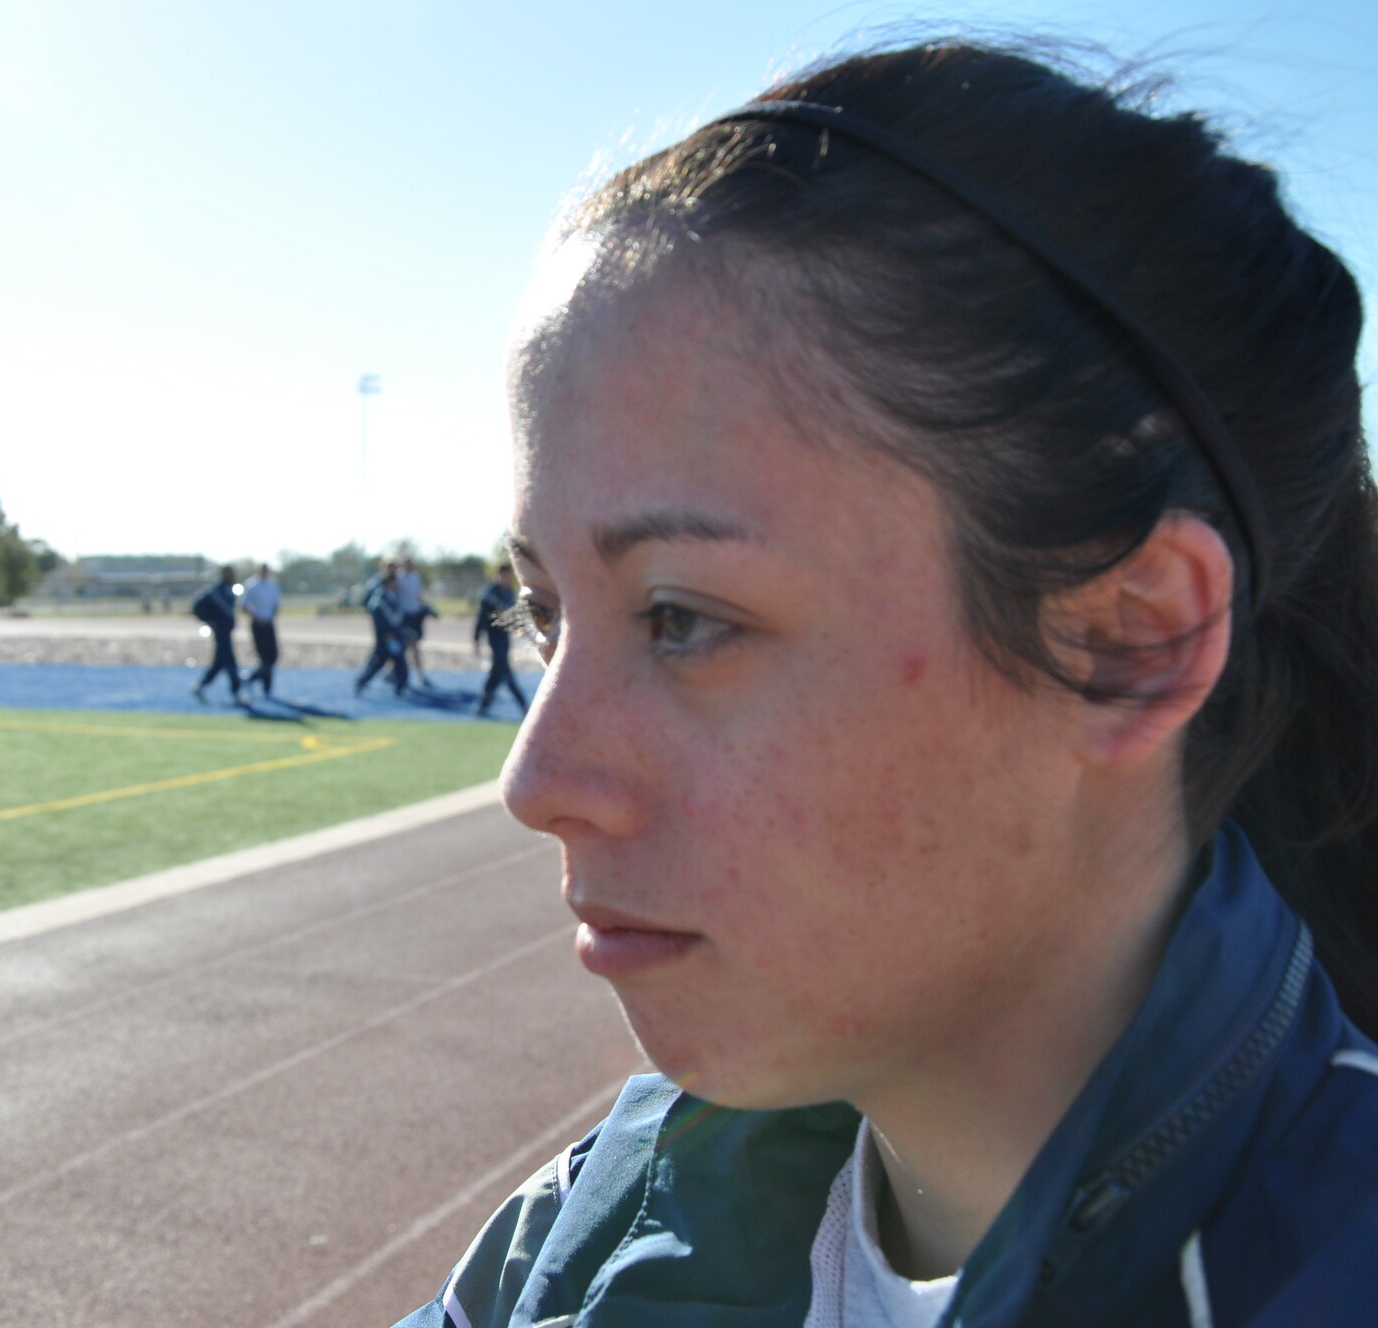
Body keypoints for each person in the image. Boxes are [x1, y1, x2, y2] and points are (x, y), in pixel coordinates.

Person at [395, 40, 1378, 1328]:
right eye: (541, 609)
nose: (536, 781)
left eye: (683, 616)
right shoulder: (595, 1227)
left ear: (1132, 638)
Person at [471, 563, 528, 717]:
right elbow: (481, 620)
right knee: (505, 671)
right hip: (494, 637)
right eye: (507, 575)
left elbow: (514, 615)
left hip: (504, 637)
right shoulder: (490, 595)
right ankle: (524, 704)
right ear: (500, 575)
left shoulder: (509, 592)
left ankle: (483, 705)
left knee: (496, 673)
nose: (509, 578)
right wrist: (476, 640)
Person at [353, 563, 411, 696]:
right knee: (377, 663)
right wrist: (387, 634)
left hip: (395, 637)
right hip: (386, 638)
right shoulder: (380, 599)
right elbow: (382, 618)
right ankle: (361, 681)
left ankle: (400, 688)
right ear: (389, 582)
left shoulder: (394, 597)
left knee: (400, 662)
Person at [188, 565, 243, 703]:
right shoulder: (215, 591)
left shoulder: (230, 589)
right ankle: (236, 692)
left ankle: (200, 686)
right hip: (221, 632)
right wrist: (210, 620)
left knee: (219, 663)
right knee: (230, 662)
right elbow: (197, 606)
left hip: (226, 632)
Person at [395, 555, 438, 685]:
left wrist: (428, 608)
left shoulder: (415, 577)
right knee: (406, 646)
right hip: (404, 617)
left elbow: (418, 596)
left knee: (413, 646)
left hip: (414, 616)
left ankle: (419, 675)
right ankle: (396, 673)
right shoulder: (398, 578)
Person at [240, 563, 282, 697]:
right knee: (264, 658)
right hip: (257, 624)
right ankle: (266, 688)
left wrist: (271, 617)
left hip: (269, 623)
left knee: (273, 656)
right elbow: (244, 605)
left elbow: (276, 604)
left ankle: (252, 679)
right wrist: (256, 617)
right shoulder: (252, 585)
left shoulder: (273, 585)